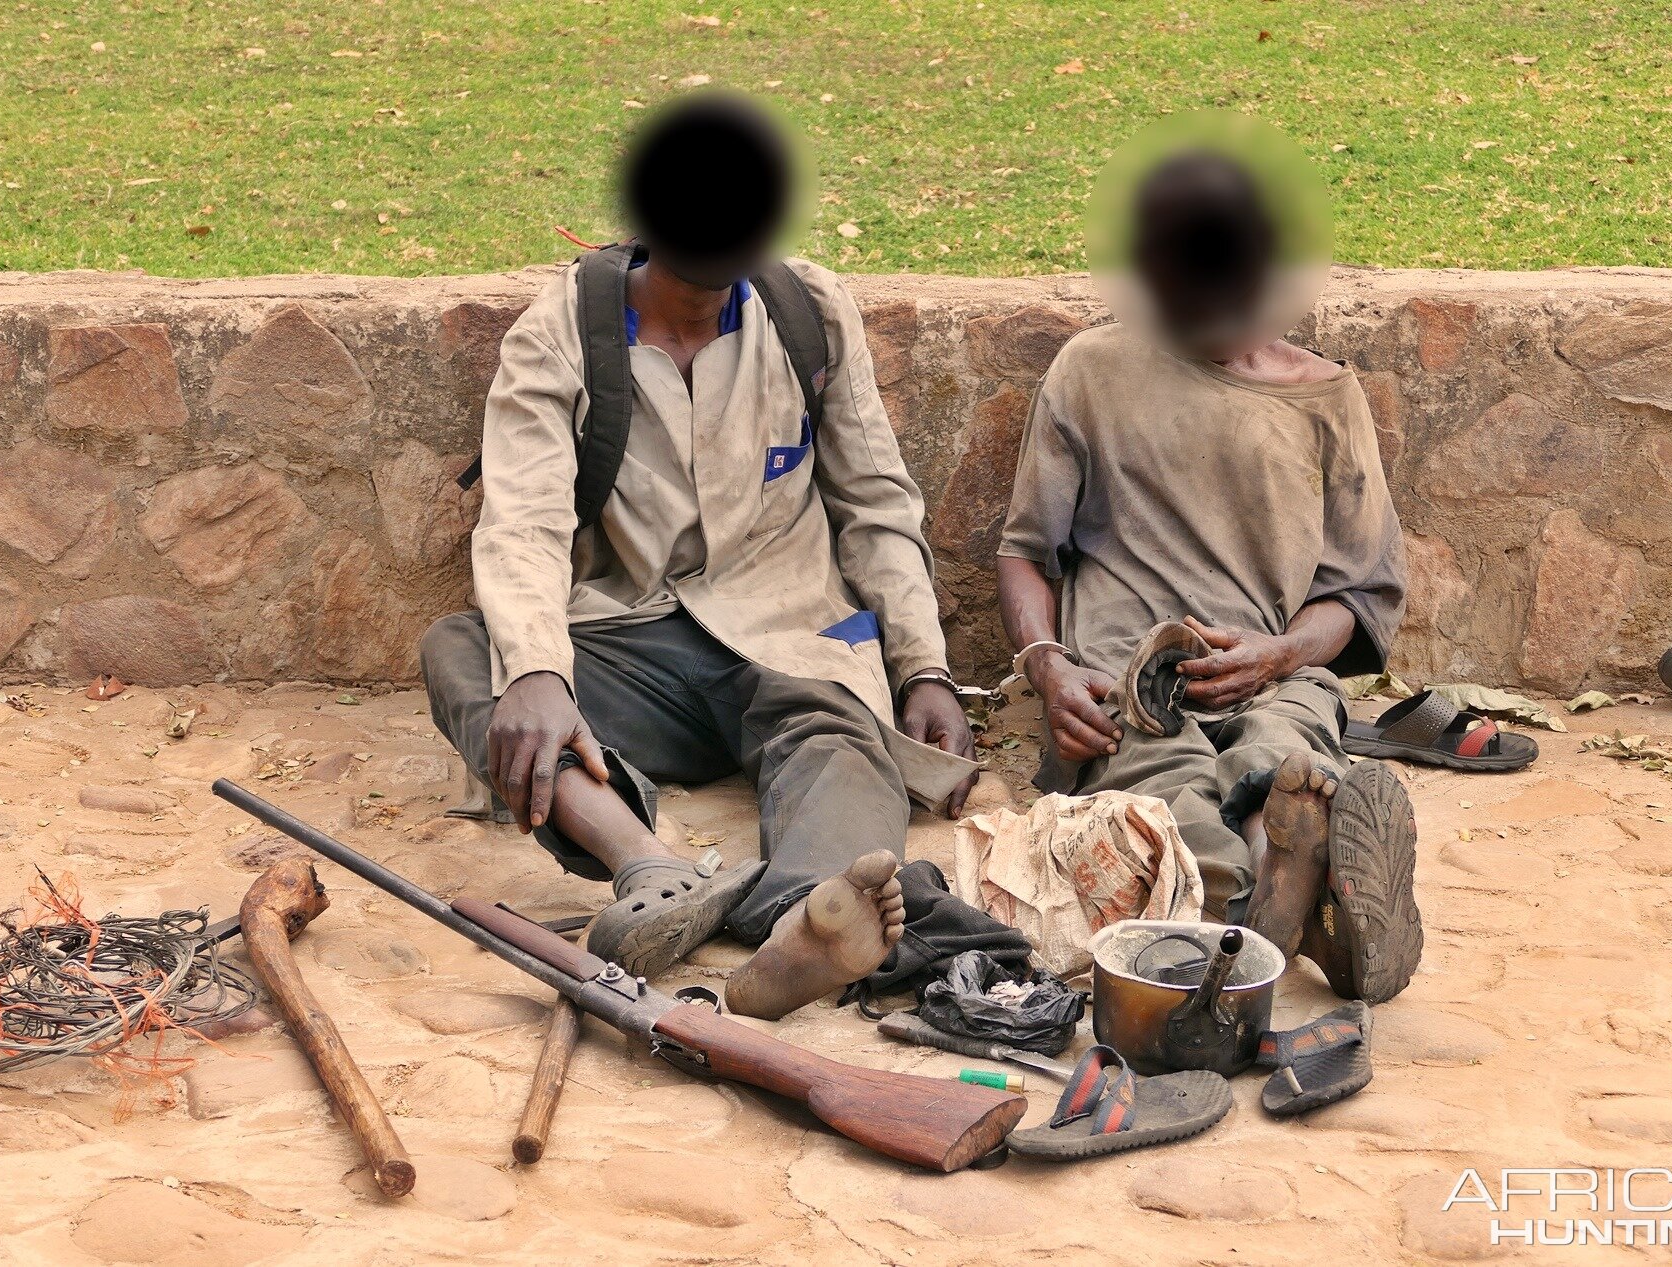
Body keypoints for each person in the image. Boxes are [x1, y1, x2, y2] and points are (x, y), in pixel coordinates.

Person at [422, 93, 979, 1020]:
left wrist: (926, 668)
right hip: (629, 632)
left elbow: (878, 503)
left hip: (795, 632)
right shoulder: (559, 334)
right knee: (463, 652)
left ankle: (806, 922)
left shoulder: (812, 316)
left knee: (844, 744)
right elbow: (522, 522)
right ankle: (648, 866)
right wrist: (536, 669)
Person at [995, 142, 1423, 1003]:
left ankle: (1284, 880)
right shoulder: (1093, 369)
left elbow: (1358, 596)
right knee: (1167, 800)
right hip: (1129, 681)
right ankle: (1293, 913)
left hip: (1275, 669)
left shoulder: (1327, 399)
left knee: (1285, 757)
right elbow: (1024, 554)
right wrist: (1048, 668)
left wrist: (1276, 654)